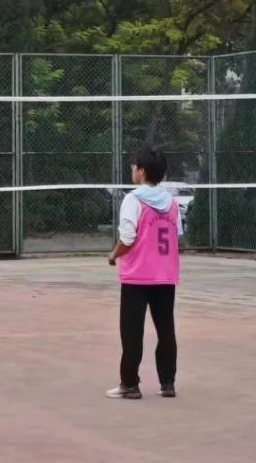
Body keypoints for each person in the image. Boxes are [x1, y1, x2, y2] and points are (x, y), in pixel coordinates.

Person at [106, 145, 182, 400]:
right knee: (166, 328)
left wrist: (114, 254)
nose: (132, 169)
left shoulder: (133, 200)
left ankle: (130, 384)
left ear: (142, 171)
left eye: (134, 166)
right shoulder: (172, 203)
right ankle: (168, 383)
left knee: (132, 331)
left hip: (137, 276)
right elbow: (176, 235)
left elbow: (127, 237)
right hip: (165, 276)